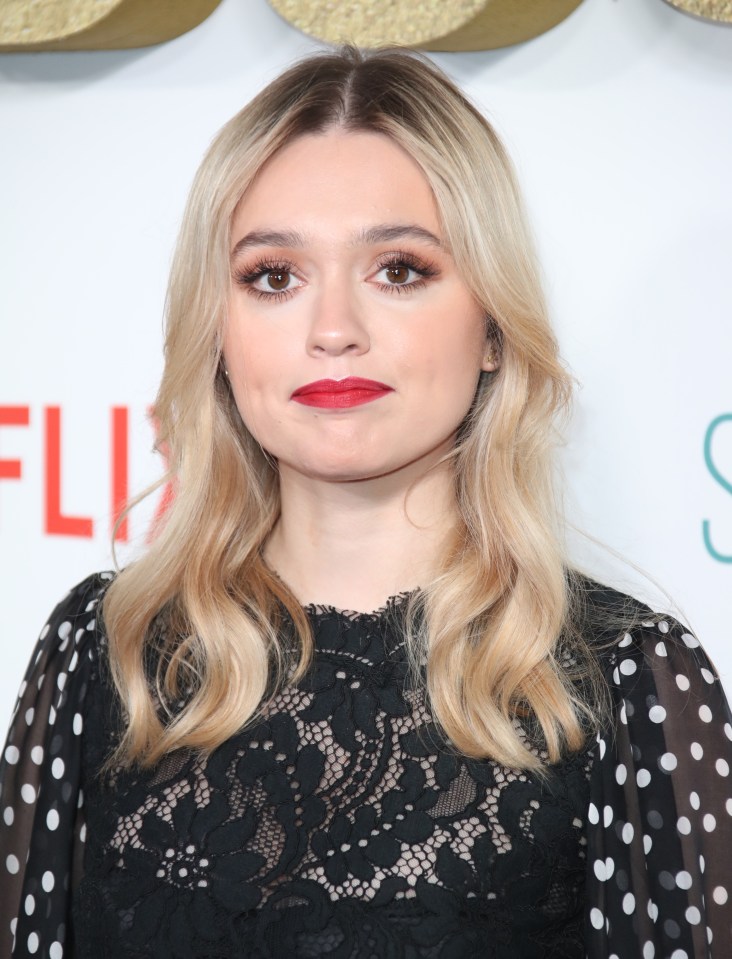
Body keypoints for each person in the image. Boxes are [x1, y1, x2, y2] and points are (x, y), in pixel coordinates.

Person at [0, 46, 730, 959]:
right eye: (274, 276)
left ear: (494, 325)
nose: (333, 329)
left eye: (399, 269)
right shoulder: (102, 658)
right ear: (218, 333)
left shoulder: (627, 684)